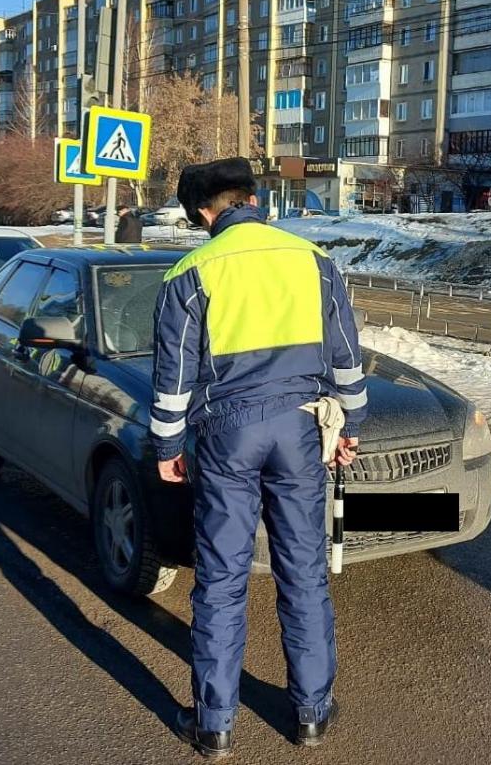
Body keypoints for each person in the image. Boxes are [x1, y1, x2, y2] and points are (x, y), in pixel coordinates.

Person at [151, 157, 367, 758]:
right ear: (253, 198)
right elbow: (346, 356)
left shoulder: (190, 271)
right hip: (300, 431)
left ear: (203, 212)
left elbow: (173, 378)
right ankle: (312, 714)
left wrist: (168, 446)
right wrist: (350, 424)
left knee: (221, 577)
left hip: (227, 435)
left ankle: (214, 726)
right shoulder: (313, 261)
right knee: (304, 572)